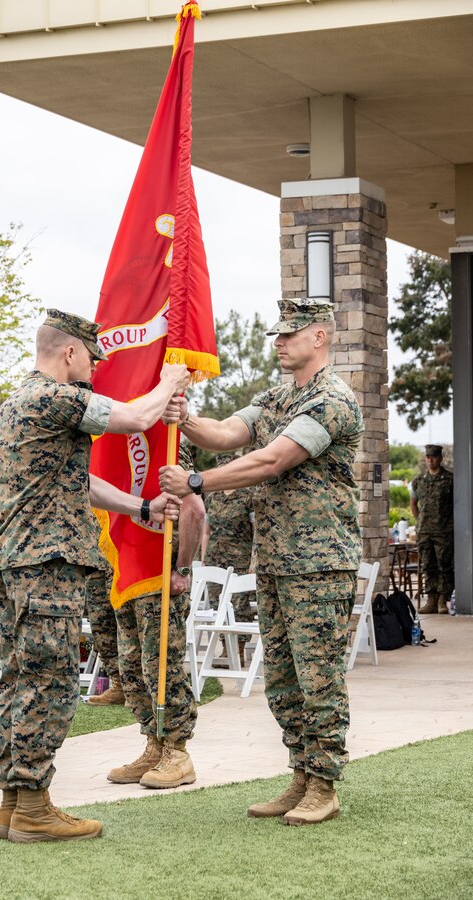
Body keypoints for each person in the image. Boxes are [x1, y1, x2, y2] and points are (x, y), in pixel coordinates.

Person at [0, 309, 188, 844]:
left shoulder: (13, 406)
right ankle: (33, 807)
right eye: (91, 357)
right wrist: (168, 380)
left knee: (18, 680)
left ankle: (12, 801)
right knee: (48, 683)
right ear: (69, 352)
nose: (95, 368)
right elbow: (135, 418)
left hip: (13, 562)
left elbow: (83, 483)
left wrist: (140, 508)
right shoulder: (55, 397)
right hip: (44, 565)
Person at [159, 297, 364, 826]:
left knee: (318, 677)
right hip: (274, 560)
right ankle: (300, 774)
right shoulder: (278, 397)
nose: (278, 343)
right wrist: (188, 419)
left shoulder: (331, 399)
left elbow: (273, 459)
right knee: (283, 677)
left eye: (288, 335)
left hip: (319, 562)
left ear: (319, 337)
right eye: (276, 335)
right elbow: (229, 433)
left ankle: (324, 783)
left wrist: (198, 480)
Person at [108, 444, 204, 789]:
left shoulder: (168, 444)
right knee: (132, 664)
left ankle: (177, 751)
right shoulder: (122, 445)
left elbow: (194, 509)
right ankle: (154, 743)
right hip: (128, 570)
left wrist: (182, 567)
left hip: (160, 570)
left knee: (160, 662)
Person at [202, 453, 256, 666]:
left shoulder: (247, 495)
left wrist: (254, 559)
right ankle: (226, 650)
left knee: (239, 606)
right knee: (217, 605)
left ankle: (239, 649)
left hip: (240, 560)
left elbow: (257, 530)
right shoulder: (213, 496)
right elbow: (206, 531)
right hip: (216, 559)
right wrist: (204, 559)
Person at [411, 445, 454, 614]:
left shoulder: (450, 479)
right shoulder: (419, 480)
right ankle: (431, 600)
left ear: (440, 458)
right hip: (424, 531)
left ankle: (443, 599)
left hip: (444, 531)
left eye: (434, 457)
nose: (430, 460)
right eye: (428, 457)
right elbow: (413, 504)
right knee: (428, 566)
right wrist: (421, 520)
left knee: (444, 565)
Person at [85, 567, 125, 706]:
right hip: (98, 564)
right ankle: (119, 685)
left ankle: (137, 688)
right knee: (101, 625)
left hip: (127, 561)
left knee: (130, 625)